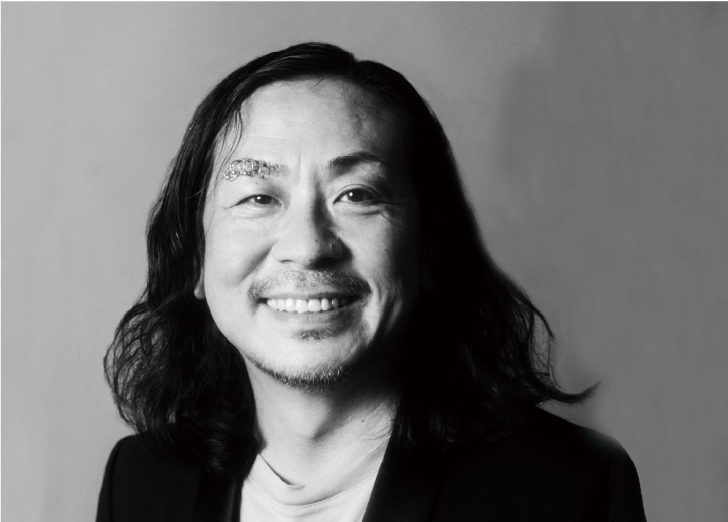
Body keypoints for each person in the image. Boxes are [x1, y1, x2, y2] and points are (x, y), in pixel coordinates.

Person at [97, 42, 646, 522]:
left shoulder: (570, 490)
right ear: (195, 257)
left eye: (356, 195)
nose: (308, 246)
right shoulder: (141, 482)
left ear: (428, 247)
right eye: (259, 198)